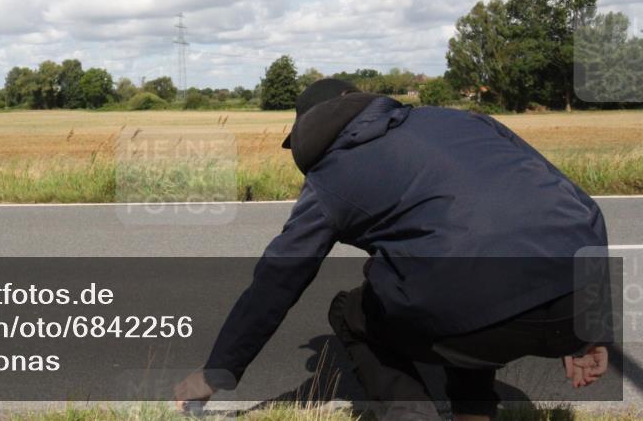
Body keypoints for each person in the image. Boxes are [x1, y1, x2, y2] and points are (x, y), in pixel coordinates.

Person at [174, 79, 611, 421]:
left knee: (356, 310)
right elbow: (574, 205)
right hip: (574, 304)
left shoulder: (332, 174)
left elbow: (278, 279)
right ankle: (472, 414)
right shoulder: (464, 122)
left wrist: (216, 371)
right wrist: (591, 330)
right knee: (444, 263)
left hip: (477, 311)